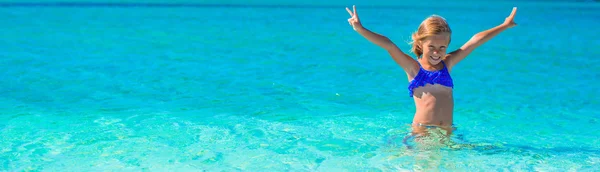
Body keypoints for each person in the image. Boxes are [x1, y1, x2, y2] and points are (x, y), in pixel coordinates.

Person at [345, 5, 517, 141]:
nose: (437, 52)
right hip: (422, 133)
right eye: (431, 47)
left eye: (442, 47)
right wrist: (360, 29)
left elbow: (475, 41)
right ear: (420, 44)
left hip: (448, 132)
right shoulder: (414, 68)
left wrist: (504, 25)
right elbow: (388, 44)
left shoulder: (447, 64)